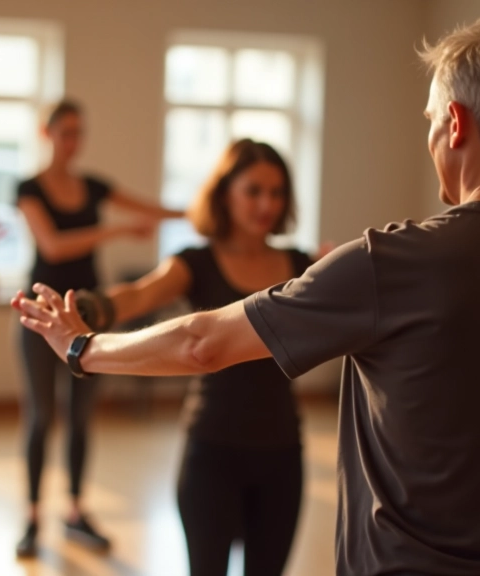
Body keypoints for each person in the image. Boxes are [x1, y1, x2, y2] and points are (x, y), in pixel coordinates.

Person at [13, 19, 480, 576]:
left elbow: (203, 343)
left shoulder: (390, 262)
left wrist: (81, 348)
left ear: (456, 124)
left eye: (429, 120)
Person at [74, 138, 316, 575]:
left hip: (281, 453)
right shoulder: (197, 262)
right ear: (225, 194)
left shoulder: (302, 265)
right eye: (254, 191)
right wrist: (84, 310)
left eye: (276, 192)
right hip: (212, 453)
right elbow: (138, 295)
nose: (267, 204)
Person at [14, 99, 182, 557]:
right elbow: (53, 246)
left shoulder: (93, 187)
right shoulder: (28, 188)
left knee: (81, 417)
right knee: (40, 417)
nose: (73, 141)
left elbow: (153, 209)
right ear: (47, 134)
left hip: (88, 316)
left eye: (79, 132)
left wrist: (205, 213)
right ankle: (32, 517)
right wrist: (117, 231)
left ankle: (75, 512)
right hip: (40, 316)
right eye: (65, 132)